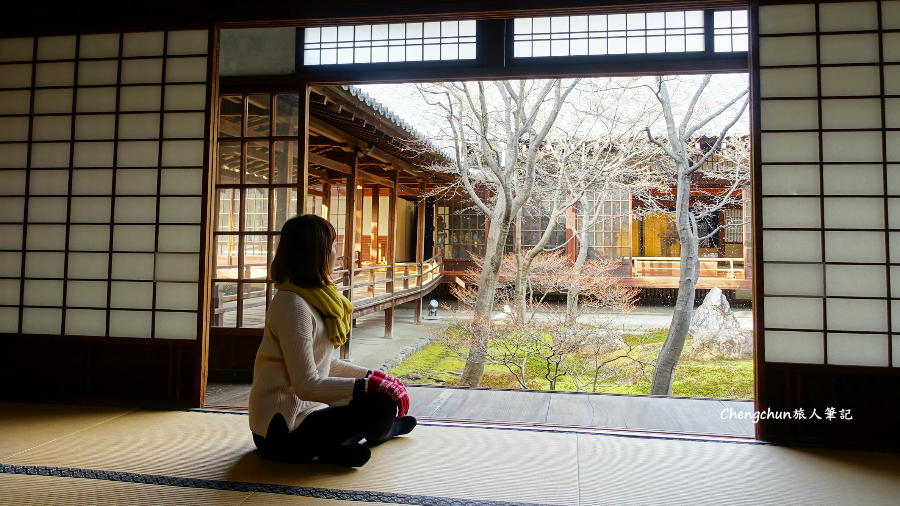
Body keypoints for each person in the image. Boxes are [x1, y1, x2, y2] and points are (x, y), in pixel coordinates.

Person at [249, 214, 416, 468]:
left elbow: (328, 364)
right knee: (379, 405)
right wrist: (371, 387)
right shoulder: (292, 305)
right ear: (317, 253)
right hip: (283, 432)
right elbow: (306, 385)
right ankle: (369, 435)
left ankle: (339, 445)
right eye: (333, 246)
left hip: (309, 416)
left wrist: (378, 378)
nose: (337, 253)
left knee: (382, 399)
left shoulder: (314, 298)